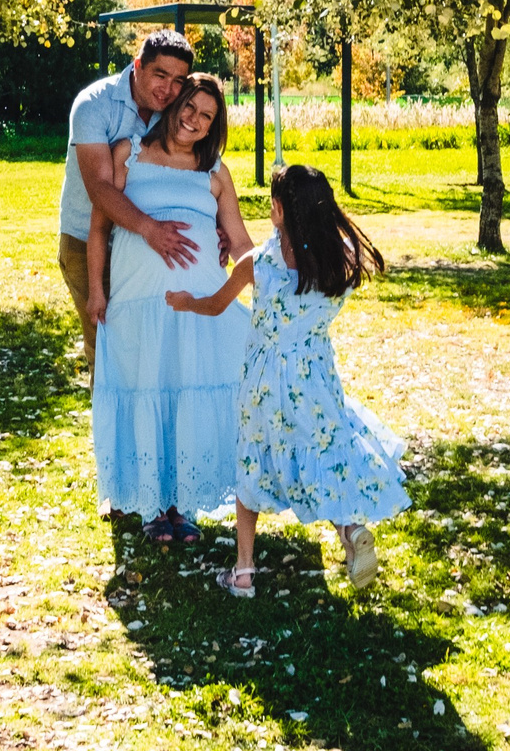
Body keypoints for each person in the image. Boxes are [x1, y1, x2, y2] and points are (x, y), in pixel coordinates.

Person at [167, 162, 404, 595]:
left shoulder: (259, 265)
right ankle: (350, 532)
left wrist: (185, 302)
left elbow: (216, 304)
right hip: (315, 381)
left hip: (263, 384)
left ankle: (243, 570)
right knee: (321, 456)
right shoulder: (340, 262)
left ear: (277, 209)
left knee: (252, 462)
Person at [87, 74, 253, 545]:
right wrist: (96, 291)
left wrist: (271, 281)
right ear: (174, 102)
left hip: (198, 310)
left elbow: (239, 241)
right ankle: (150, 508)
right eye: (189, 107)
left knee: (185, 396)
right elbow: (100, 228)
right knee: (147, 391)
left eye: (206, 116)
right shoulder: (128, 154)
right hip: (139, 304)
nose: (194, 120)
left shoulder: (215, 172)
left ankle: (180, 505)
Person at [58, 31, 198, 375]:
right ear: (138, 66)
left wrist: (218, 230)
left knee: (149, 354)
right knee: (108, 355)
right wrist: (150, 229)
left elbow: (192, 172)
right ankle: (109, 430)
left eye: (178, 80)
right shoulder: (94, 104)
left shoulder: (177, 111)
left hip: (144, 249)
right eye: (160, 75)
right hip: (86, 242)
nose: (167, 89)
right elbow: (101, 190)